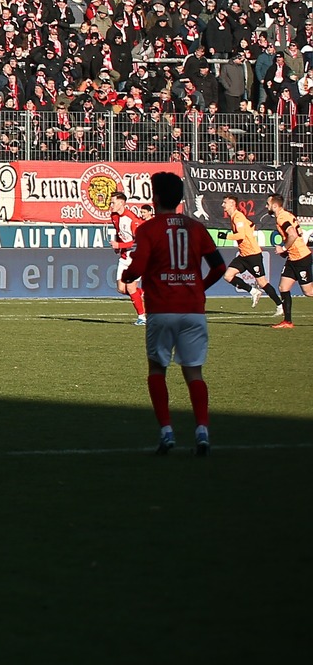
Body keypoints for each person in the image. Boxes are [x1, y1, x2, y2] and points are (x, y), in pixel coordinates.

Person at [121, 171, 227, 455]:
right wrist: (200, 288)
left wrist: (129, 275)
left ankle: (167, 430)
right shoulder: (196, 228)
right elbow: (219, 267)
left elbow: (137, 267)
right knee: (194, 372)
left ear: (155, 199)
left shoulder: (147, 229)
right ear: (180, 199)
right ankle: (202, 429)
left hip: (162, 309)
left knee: (157, 369)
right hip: (193, 309)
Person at [263, 195, 308, 329]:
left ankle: (287, 321)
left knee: (309, 292)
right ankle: (287, 322)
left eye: (268, 204)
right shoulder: (287, 215)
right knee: (283, 287)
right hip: (293, 258)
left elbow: (293, 234)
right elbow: (298, 232)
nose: (266, 206)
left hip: (300, 258)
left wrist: (283, 248)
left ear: (275, 206)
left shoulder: (282, 217)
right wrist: (287, 251)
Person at [219, 196, 268, 309]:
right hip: (243, 254)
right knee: (228, 276)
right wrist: (249, 232)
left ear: (232, 203)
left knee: (262, 282)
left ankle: (280, 305)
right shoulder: (234, 217)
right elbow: (251, 225)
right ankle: (253, 291)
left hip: (252, 254)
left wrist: (226, 236)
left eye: (224, 202)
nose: (222, 205)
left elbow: (241, 235)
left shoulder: (238, 217)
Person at [110, 193, 146, 325]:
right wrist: (117, 246)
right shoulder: (114, 216)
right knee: (121, 289)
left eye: (113, 202)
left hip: (136, 257)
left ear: (121, 203)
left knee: (131, 288)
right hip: (124, 257)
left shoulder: (131, 219)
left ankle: (142, 317)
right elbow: (119, 232)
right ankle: (144, 294)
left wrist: (120, 245)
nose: (111, 205)